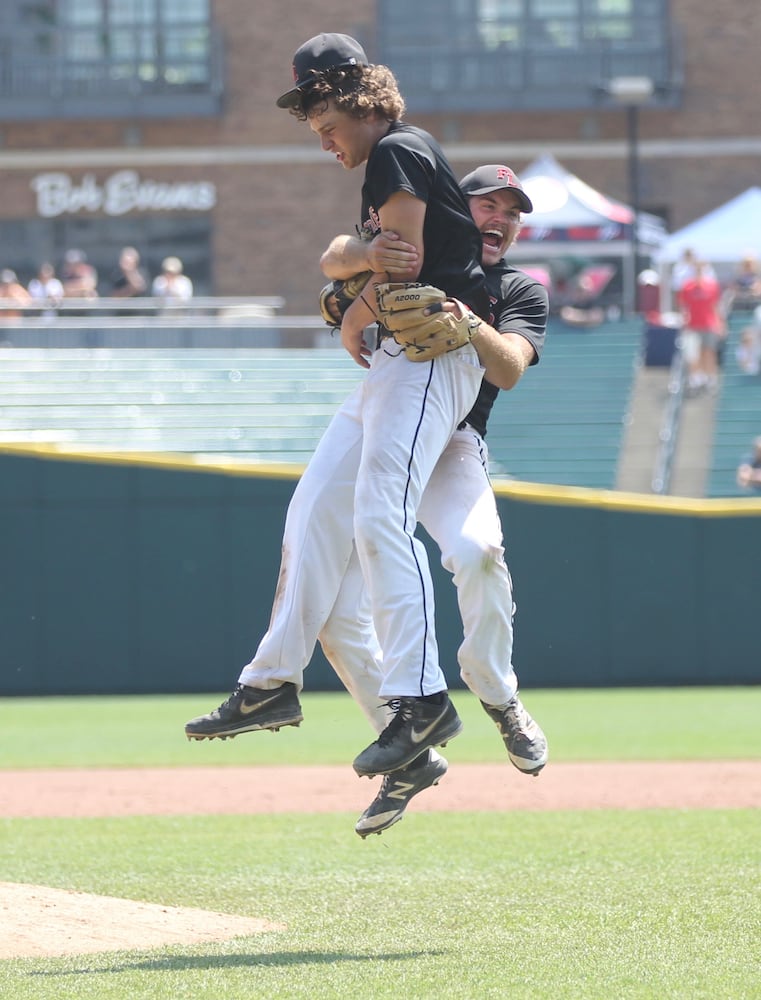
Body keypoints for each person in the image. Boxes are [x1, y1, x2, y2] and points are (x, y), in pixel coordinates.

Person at [186, 160, 550, 836]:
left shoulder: (518, 288)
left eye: (511, 211)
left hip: (453, 446)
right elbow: (334, 264)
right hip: (380, 414)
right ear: (457, 209)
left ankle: (498, 695)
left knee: (477, 552)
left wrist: (463, 319)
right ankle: (400, 744)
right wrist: (356, 289)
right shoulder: (422, 248)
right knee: (330, 605)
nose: (498, 218)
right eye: (486, 205)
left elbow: (508, 368)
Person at [186, 32, 493, 783]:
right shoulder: (386, 162)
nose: (320, 138)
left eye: (323, 120)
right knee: (316, 511)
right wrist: (354, 267)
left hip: (429, 359)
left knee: (377, 515)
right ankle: (270, 683)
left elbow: (401, 261)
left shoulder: (398, 148)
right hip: (394, 364)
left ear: (353, 99)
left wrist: (356, 295)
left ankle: (421, 699)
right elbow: (353, 257)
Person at [677, 259, 726, 395]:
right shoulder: (687, 287)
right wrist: (684, 321)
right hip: (692, 325)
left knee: (709, 352)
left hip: (708, 324)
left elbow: (715, 307)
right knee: (693, 354)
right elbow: (683, 306)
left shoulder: (712, 286)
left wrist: (720, 324)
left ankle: (710, 379)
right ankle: (696, 379)